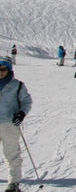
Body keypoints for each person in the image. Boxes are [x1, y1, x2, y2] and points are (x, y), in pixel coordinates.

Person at [0, 56, 33, 192]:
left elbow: (27, 101)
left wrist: (21, 113)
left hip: (9, 124)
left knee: (11, 154)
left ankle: (13, 183)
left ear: (9, 70)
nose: (0, 72)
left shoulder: (17, 85)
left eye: (3, 69)